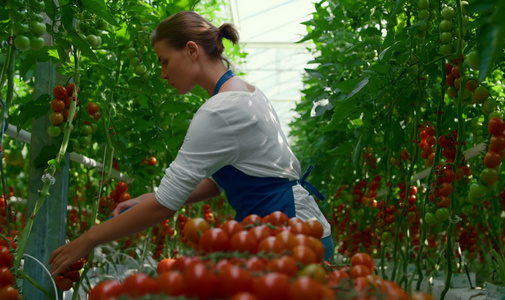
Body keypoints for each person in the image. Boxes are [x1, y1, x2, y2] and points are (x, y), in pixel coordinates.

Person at [48, 11, 333, 275]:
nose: (162, 73)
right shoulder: (247, 93)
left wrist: (87, 240)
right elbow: (227, 181)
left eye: (164, 61)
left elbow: (165, 208)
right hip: (292, 230)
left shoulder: (221, 110)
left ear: (191, 50)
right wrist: (151, 197)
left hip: (288, 237)